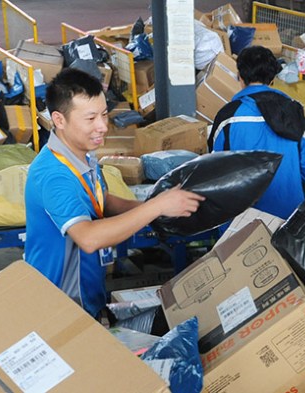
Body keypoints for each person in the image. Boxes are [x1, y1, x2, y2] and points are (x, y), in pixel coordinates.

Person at [25, 68, 205, 318]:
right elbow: (88, 238)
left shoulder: (84, 155)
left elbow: (103, 201)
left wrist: (154, 206)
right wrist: (157, 207)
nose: (102, 127)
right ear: (59, 120)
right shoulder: (55, 175)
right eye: (90, 119)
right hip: (59, 308)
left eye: (104, 115)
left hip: (87, 297)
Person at [208, 45, 305, 219]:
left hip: (240, 224)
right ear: (272, 80)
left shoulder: (228, 116)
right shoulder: (292, 110)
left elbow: (214, 171)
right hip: (288, 221)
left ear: (240, 77)